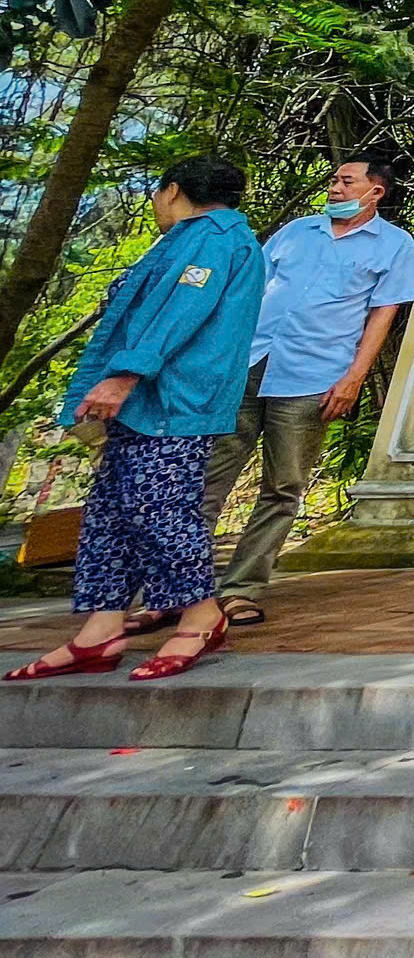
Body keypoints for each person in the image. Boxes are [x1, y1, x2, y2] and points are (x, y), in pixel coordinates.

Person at [8, 157, 263, 685]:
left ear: (172, 190)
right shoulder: (186, 239)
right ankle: (100, 632)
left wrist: (124, 376)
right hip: (145, 401)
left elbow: (178, 314)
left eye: (156, 193)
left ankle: (200, 616)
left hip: (175, 400)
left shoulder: (215, 240)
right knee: (110, 514)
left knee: (161, 510)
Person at [190, 151, 414, 629]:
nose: (335, 188)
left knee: (283, 486)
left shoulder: (393, 246)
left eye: (346, 181)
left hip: (314, 377)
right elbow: (251, 290)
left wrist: (353, 377)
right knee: (210, 476)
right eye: (334, 179)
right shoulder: (296, 232)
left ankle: (240, 590)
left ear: (375, 192)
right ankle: (178, 590)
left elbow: (383, 315)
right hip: (250, 363)